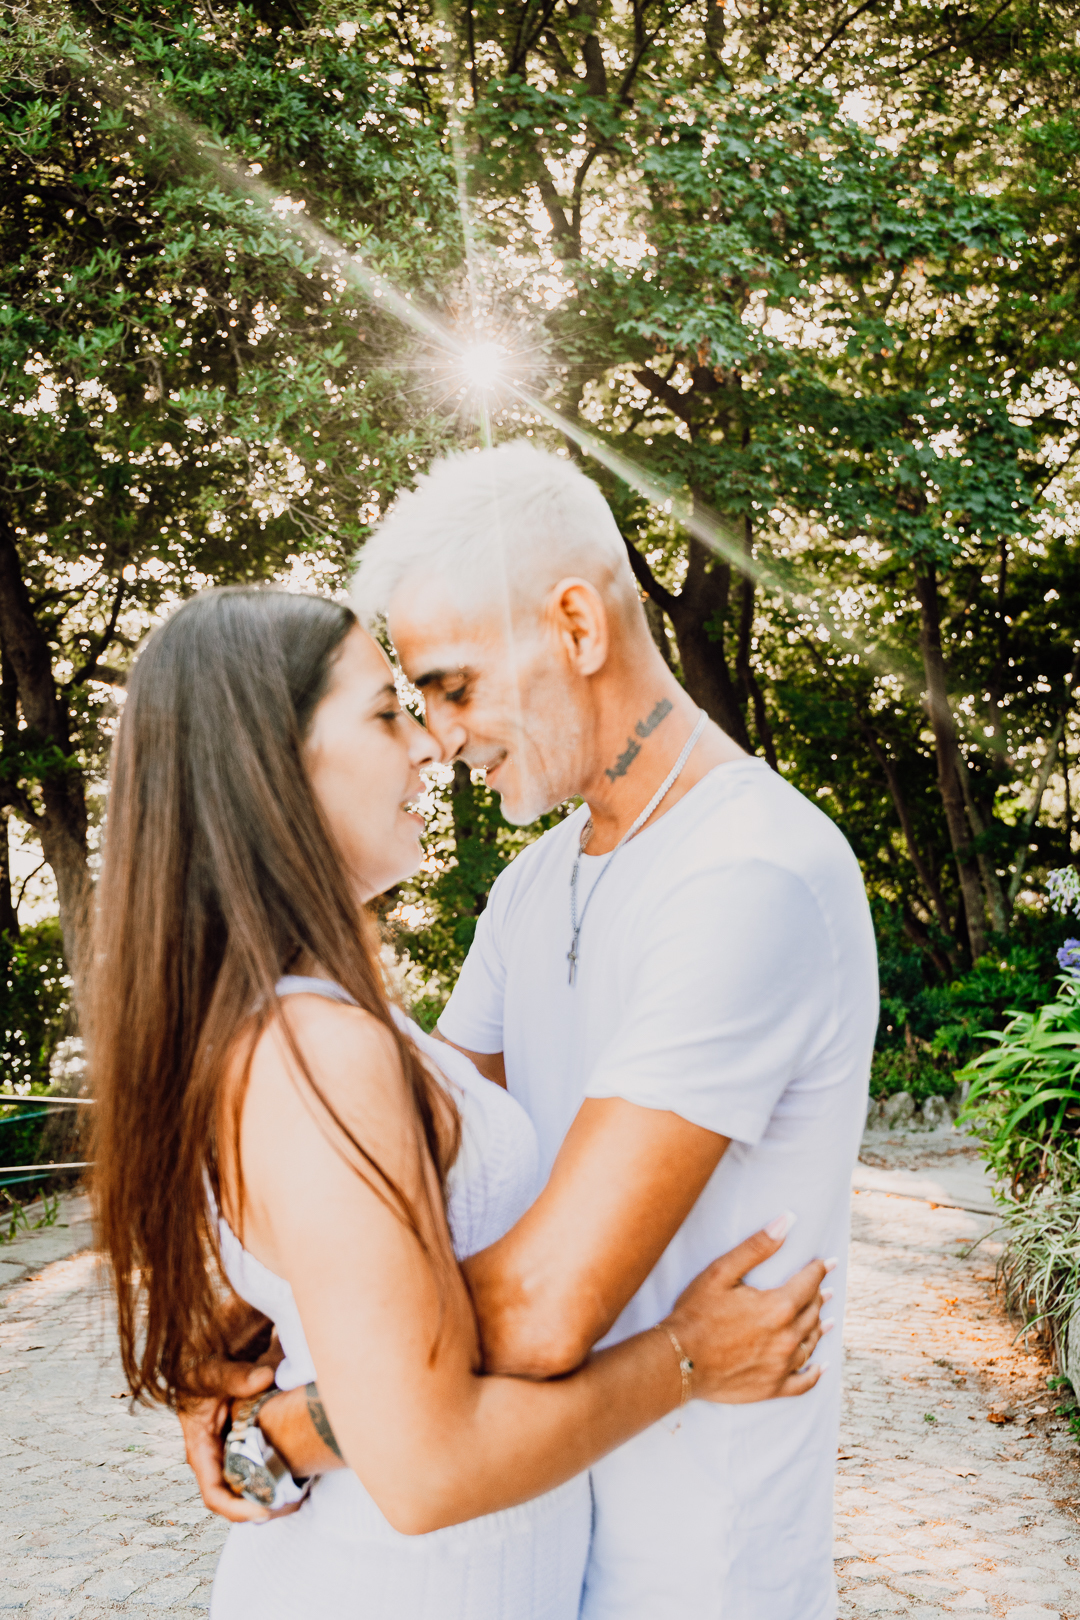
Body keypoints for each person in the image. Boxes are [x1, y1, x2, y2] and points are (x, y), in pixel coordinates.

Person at [181, 444, 878, 1618]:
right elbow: (419, 1177)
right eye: (412, 702)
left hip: (693, 1566)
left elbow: (547, 1298)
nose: (440, 740)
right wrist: (266, 1313)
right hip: (527, 1549)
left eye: (453, 687)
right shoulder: (534, 886)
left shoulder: (750, 873)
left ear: (576, 624)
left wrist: (302, 1416)